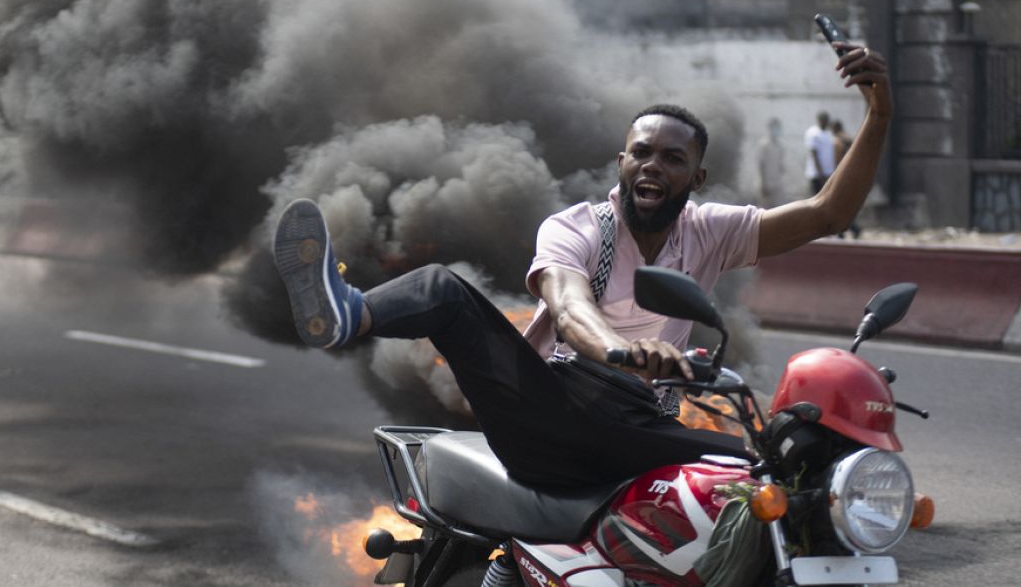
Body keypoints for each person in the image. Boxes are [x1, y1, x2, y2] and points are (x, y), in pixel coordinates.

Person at [273, 42, 891, 489]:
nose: (653, 166)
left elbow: (825, 213)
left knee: (775, 467)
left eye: (672, 159)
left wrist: (879, 112)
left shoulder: (709, 230)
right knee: (444, 290)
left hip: (635, 428)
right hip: (543, 413)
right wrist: (622, 353)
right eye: (641, 153)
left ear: (696, 177)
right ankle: (348, 312)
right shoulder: (575, 226)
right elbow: (570, 310)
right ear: (621, 162)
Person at [830, 120, 862, 239]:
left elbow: (837, 160)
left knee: (838, 205)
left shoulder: (837, 141)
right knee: (847, 205)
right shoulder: (850, 139)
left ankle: (850, 229)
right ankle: (847, 229)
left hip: (843, 176)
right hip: (854, 175)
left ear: (834, 129)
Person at [804, 110, 836, 195]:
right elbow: (814, 154)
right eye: (824, 119)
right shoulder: (813, 133)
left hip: (828, 173)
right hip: (817, 175)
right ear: (819, 119)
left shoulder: (828, 133)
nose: (826, 121)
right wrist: (821, 174)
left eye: (827, 119)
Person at [757, 117, 786, 207]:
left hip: (777, 183)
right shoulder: (764, 144)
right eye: (774, 127)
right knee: (764, 210)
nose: (776, 130)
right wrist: (763, 183)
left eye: (778, 127)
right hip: (766, 182)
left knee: (777, 210)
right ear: (769, 128)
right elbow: (761, 164)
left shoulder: (781, 145)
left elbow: (780, 163)